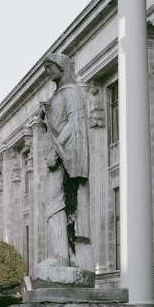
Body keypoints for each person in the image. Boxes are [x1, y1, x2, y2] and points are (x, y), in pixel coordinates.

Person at [39, 52, 93, 271]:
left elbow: (74, 124)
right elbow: (57, 122)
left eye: (51, 68)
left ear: (62, 68)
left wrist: (58, 150)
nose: (48, 73)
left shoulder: (72, 93)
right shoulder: (58, 94)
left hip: (64, 155)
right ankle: (62, 255)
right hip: (57, 152)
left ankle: (63, 257)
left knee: (53, 200)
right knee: (50, 201)